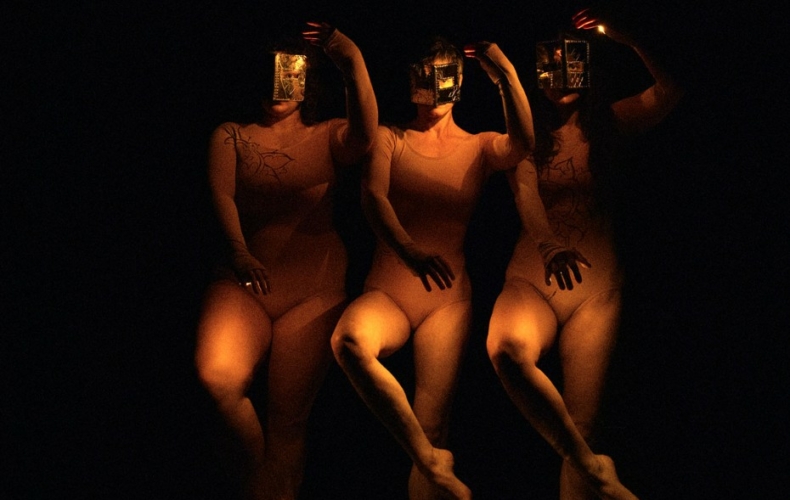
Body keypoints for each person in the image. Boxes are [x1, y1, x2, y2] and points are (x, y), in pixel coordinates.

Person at [486, 8, 684, 500]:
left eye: (570, 62)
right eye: (549, 67)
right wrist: (549, 245)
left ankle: (587, 468)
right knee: (506, 350)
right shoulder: (526, 136)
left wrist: (628, 36)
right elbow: (525, 192)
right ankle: (597, 471)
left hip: (596, 287)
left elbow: (670, 91)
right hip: (532, 277)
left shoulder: (610, 124)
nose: (559, 77)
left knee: (584, 424)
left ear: (587, 67)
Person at [330, 37, 534, 499]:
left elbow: (524, 143)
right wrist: (409, 251)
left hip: (447, 300)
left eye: (444, 75)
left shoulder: (478, 146)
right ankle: (428, 458)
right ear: (412, 81)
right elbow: (373, 196)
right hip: (390, 289)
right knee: (350, 341)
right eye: (426, 74)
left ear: (458, 82)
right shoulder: (390, 137)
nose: (435, 86)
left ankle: (429, 460)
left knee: (433, 422)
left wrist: (504, 72)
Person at [194, 22, 377, 500]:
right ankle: (264, 481)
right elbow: (222, 194)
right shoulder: (232, 135)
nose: (278, 87)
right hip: (244, 283)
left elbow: (364, 133)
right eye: (272, 74)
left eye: (290, 75)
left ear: (305, 82)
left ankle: (274, 488)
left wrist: (350, 59)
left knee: (288, 419)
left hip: (313, 290)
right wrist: (239, 250)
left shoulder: (328, 135)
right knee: (218, 378)